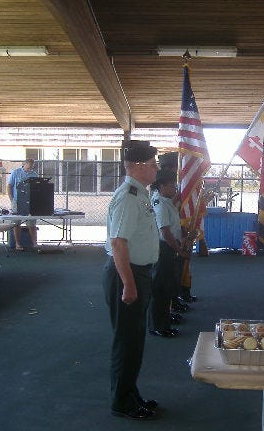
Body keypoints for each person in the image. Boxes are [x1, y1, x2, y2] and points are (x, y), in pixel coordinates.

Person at [103, 144, 161, 420]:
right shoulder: (128, 197)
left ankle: (130, 394)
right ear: (137, 166)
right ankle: (122, 402)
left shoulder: (140, 194)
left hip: (137, 272)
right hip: (126, 273)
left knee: (134, 339)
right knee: (127, 341)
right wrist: (128, 283)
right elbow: (118, 243)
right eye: (153, 163)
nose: (157, 168)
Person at [148, 169, 190, 338]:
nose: (175, 188)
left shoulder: (167, 201)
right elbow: (165, 232)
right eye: (172, 185)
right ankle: (158, 325)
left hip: (169, 248)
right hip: (163, 249)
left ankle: (165, 317)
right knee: (160, 289)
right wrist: (179, 250)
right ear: (161, 186)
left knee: (168, 287)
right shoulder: (159, 203)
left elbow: (173, 227)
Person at [7, 158, 39, 250]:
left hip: (30, 202)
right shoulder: (15, 173)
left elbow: (37, 188)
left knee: (32, 222)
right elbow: (9, 186)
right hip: (17, 201)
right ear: (24, 164)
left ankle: (34, 243)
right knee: (17, 222)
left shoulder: (34, 174)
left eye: (32, 167)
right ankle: (17, 243)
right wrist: (12, 199)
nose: (30, 169)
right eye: (29, 167)